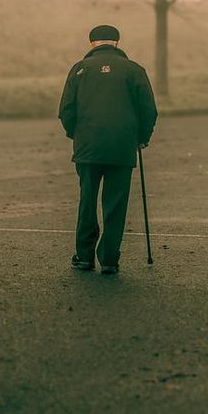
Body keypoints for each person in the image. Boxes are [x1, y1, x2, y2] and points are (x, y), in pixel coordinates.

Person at [58, 24, 158, 274]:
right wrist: (142, 138)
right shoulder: (134, 70)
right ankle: (110, 259)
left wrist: (75, 134)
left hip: (88, 147)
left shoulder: (79, 69)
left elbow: (66, 110)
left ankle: (83, 256)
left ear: (92, 43)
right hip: (122, 147)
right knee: (115, 204)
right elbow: (149, 110)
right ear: (117, 42)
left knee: (87, 202)